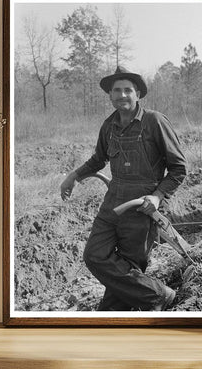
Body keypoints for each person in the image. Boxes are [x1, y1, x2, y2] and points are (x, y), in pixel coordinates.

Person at [60, 66, 186, 311]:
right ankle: (159, 295)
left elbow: (179, 168)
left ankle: (111, 314)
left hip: (142, 206)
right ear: (110, 96)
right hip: (113, 201)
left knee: (129, 266)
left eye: (127, 90)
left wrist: (158, 196)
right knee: (94, 255)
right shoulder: (108, 125)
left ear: (138, 94)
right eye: (116, 90)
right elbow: (99, 159)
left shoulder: (154, 122)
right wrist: (73, 176)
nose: (122, 95)